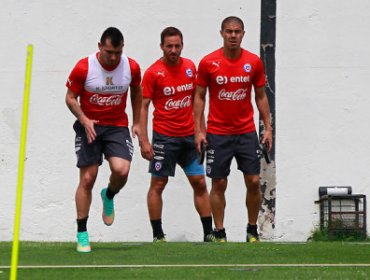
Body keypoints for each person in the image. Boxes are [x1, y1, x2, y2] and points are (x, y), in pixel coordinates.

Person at [193, 16, 273, 243]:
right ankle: (219, 232)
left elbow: (260, 96)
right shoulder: (209, 62)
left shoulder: (253, 62)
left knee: (254, 181)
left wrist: (268, 128)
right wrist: (199, 130)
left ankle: (251, 229)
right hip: (218, 133)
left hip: (246, 132)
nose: (233, 36)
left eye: (237, 32)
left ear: (243, 34)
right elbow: (199, 97)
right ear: (221, 33)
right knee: (218, 183)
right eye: (229, 32)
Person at [65, 27, 142, 252]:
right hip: (89, 126)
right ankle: (82, 233)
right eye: (109, 52)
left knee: (122, 170)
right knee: (88, 178)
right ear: (100, 47)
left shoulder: (131, 67)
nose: (113, 57)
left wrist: (137, 122)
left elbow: (137, 92)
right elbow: (70, 98)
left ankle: (108, 195)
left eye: (118, 52)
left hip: (116, 126)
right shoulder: (84, 67)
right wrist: (83, 118)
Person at [140, 27, 213, 242]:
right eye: (169, 46)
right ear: (161, 46)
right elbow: (143, 106)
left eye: (177, 46)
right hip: (165, 138)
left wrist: (202, 131)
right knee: (158, 184)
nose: (173, 50)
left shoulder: (190, 67)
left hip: (190, 138)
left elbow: (198, 100)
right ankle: (158, 235)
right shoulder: (153, 72)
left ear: (182, 45)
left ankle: (209, 234)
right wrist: (144, 140)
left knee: (199, 182)